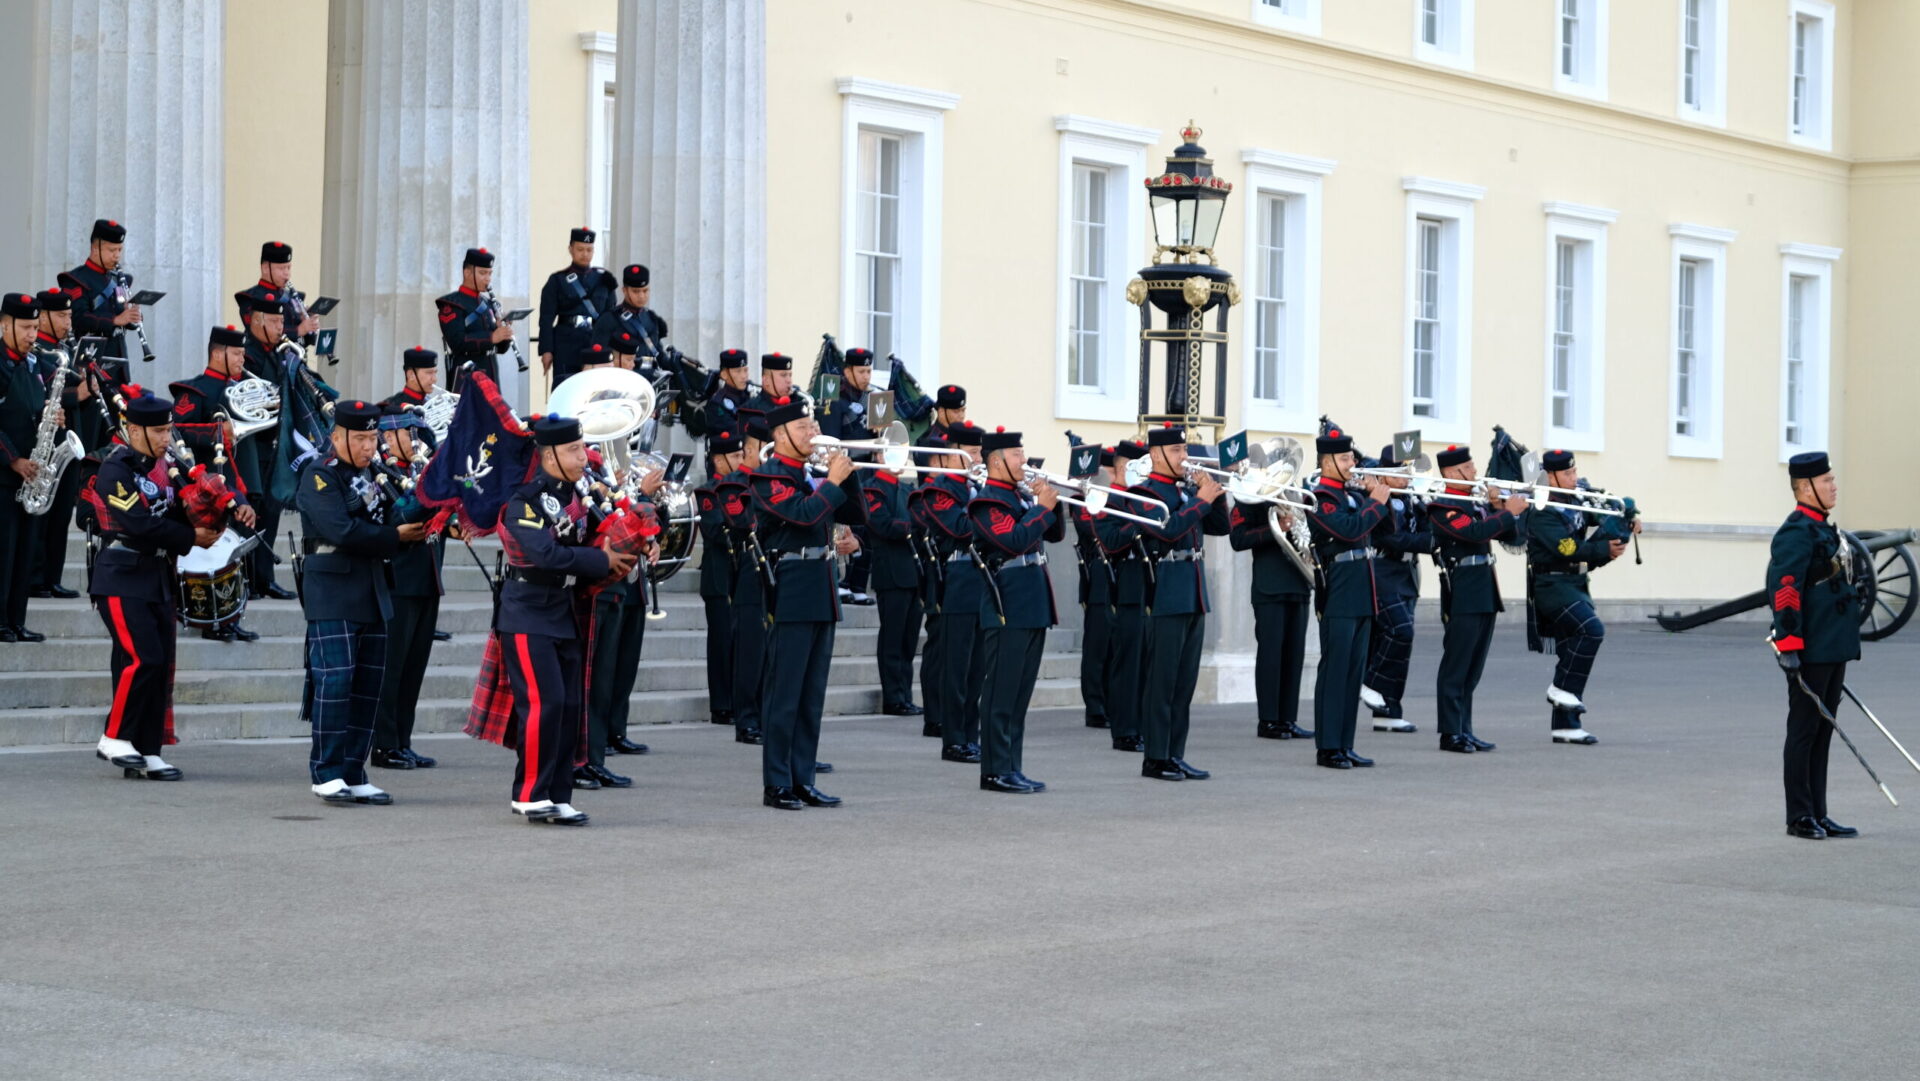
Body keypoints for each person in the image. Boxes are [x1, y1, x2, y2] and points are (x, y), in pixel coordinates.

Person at [469, 415, 630, 825]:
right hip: (526, 611)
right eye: (574, 450)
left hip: (562, 610)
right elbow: (544, 555)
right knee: (546, 702)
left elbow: (603, 530)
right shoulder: (525, 500)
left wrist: (635, 536)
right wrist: (601, 560)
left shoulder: (581, 492)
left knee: (570, 705)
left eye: (581, 448)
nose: (583, 456)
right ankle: (529, 793)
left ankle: (558, 794)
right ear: (550, 455)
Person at [297, 400, 425, 804]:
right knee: (336, 680)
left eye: (374, 438)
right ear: (338, 437)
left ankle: (354, 769)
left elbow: (391, 516)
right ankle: (327, 771)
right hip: (333, 587)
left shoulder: (375, 473)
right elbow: (342, 529)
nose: (370, 447)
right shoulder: (320, 475)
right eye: (362, 438)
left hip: (372, 585)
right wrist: (396, 537)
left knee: (368, 684)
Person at [86, 390, 214, 780]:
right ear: (133, 429)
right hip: (121, 574)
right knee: (144, 658)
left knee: (159, 666)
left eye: (167, 430)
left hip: (157, 575)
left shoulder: (167, 466)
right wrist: (192, 537)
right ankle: (113, 736)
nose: (166, 438)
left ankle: (147, 749)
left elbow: (178, 510)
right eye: (158, 431)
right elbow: (139, 523)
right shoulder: (115, 469)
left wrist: (213, 505)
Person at [750, 393, 863, 810]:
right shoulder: (769, 477)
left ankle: (803, 776)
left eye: (812, 426)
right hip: (792, 584)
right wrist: (831, 481)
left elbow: (854, 512)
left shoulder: (813, 474)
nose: (813, 432)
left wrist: (845, 476)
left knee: (811, 693)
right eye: (803, 428)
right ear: (780, 435)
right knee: (785, 691)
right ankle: (777, 781)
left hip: (821, 582)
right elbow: (802, 514)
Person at [1768, 451, 1861, 840]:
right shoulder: (1796, 532)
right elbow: (1785, 590)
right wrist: (1789, 643)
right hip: (1810, 648)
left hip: (1833, 645)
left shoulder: (1825, 528)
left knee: (1824, 731)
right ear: (1806, 488)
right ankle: (1799, 815)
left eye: (1832, 480)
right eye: (1827, 482)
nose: (1834, 486)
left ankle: (1819, 812)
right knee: (1804, 731)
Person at [1131, 425, 1230, 781]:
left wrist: (1214, 494)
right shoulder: (1145, 493)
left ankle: (1175, 753)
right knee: (1163, 681)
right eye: (1175, 451)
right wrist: (1201, 500)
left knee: (1184, 682)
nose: (1183, 456)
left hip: (1193, 588)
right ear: (1156, 455)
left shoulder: (1187, 489)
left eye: (1184, 449)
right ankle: (1156, 757)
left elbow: (1221, 527)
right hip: (1167, 590)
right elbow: (1168, 530)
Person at [969, 428, 1063, 793]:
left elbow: (1052, 534)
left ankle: (1012, 765)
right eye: (1016, 455)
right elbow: (1012, 541)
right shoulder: (987, 503)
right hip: (1007, 603)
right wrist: (1042, 508)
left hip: (1033, 601)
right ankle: (994, 770)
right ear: (996, 462)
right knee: (1000, 693)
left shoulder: (1021, 498)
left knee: (1020, 694)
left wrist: (1053, 501)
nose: (1024, 461)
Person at [1525, 448, 1636, 745]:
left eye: (1574, 472)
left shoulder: (1574, 499)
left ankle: (1566, 726)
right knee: (1591, 630)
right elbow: (1568, 548)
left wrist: (1626, 521)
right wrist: (1602, 549)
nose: (1574, 478)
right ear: (1550, 476)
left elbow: (1600, 525)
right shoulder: (1542, 508)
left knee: (1569, 648)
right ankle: (1561, 688)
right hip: (1552, 587)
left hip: (1575, 583)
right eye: (1568, 474)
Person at [166, 324, 266, 642]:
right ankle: (210, 617)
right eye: (236, 354)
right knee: (215, 552)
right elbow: (175, 432)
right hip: (206, 486)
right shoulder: (194, 390)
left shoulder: (244, 388)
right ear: (217, 353)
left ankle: (230, 615)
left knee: (236, 553)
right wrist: (214, 433)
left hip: (240, 482)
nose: (242, 360)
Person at [1426, 445, 1528, 753]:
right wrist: (1504, 513)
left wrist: (1500, 509)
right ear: (1451, 473)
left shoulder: (1476, 504)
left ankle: (1465, 729)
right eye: (1469, 468)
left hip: (1484, 588)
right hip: (1462, 593)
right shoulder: (1442, 508)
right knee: (1456, 666)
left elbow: (1511, 537)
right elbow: (1473, 533)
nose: (1475, 473)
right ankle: (1449, 732)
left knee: (1473, 668)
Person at [1305, 425, 1390, 769]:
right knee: (1335, 670)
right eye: (1344, 458)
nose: (1352, 463)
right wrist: (1375, 502)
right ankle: (1328, 747)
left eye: (1352, 456)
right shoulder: (1320, 499)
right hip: (1338, 588)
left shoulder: (1352, 495)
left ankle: (1345, 743)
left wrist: (1383, 498)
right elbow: (1349, 530)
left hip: (1361, 587)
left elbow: (1387, 531)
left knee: (1354, 672)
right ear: (1327, 463)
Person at [369, 397, 444, 771]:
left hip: (426, 577)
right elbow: (393, 515)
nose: (416, 440)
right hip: (398, 578)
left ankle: (402, 740)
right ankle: (383, 744)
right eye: (408, 433)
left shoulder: (421, 469)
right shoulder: (379, 470)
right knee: (392, 668)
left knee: (414, 669)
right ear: (389, 434)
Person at [1228, 483, 1314, 742]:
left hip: (1298, 582)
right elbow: (1238, 539)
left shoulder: (1297, 496)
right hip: (1269, 586)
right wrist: (1274, 528)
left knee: (1294, 656)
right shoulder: (1250, 499)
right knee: (1271, 655)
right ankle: (1268, 720)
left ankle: (1288, 719)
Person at [925, 422, 986, 763]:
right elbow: (962, 530)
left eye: (980, 453)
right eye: (973, 454)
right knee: (957, 667)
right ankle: (953, 739)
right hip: (959, 579)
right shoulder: (941, 489)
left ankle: (971, 735)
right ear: (953, 456)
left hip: (985, 580)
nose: (979, 460)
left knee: (977, 667)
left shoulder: (979, 488)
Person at [1361, 445, 1431, 734]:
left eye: (1410, 470)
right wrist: (1428, 543)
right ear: (1385, 474)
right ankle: (1370, 684)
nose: (1409, 476)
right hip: (1382, 572)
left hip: (1406, 575)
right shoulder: (1377, 498)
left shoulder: (1413, 498)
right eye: (1402, 471)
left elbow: (1426, 530)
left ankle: (1388, 711)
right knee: (1399, 631)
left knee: (1401, 645)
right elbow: (1391, 538)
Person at [236, 291, 297, 602]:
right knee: (252, 513)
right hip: (252, 447)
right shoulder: (247, 354)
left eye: (283, 320)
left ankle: (264, 578)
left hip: (275, 443)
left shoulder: (278, 352)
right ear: (257, 321)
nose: (280, 327)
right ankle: (246, 577)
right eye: (275, 321)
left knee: (271, 513)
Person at [862, 424, 924, 717]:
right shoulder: (873, 488)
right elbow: (882, 524)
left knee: (909, 639)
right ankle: (893, 697)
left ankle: (905, 694)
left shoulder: (907, 489)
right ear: (878, 457)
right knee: (893, 638)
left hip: (911, 572)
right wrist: (915, 527)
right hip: (891, 572)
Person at [1093, 440, 1151, 753]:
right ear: (1119, 468)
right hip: (1125, 586)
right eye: (1135, 467)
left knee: (1145, 663)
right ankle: (1125, 730)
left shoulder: (1145, 496)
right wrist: (1139, 523)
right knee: (1127, 663)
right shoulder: (1107, 497)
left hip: (1151, 585)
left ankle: (1141, 725)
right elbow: (1112, 541)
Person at [27, 288, 85, 599]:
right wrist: (80, 393)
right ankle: (35, 576)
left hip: (66, 439)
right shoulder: (36, 351)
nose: (67, 321)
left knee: (62, 511)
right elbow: (40, 396)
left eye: (70, 315)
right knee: (42, 513)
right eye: (62, 316)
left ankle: (52, 576)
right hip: (43, 441)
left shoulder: (66, 349)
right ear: (44, 316)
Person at [0, 292, 51, 642]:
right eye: (26, 327)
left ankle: (16, 619)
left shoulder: (34, 365)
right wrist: (13, 459)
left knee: (23, 552)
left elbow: (35, 411)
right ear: (5, 325)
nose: (33, 334)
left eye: (35, 327)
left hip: (30, 477)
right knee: (3, 552)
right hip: (4, 474)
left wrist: (54, 417)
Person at [721, 413, 769, 745]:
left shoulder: (780, 480)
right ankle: (747, 719)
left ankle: (769, 717)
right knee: (750, 653)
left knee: (772, 654)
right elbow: (742, 522)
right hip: (750, 572)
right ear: (754, 449)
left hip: (779, 573)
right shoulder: (735, 484)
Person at [820, 347, 879, 607]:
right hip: (846, 471)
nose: (866, 376)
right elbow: (834, 442)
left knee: (867, 526)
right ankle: (843, 580)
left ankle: (857, 584)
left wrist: (880, 434)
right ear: (847, 371)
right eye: (861, 371)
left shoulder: (875, 400)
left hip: (869, 472)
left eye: (869, 370)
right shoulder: (834, 401)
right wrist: (870, 442)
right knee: (847, 526)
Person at [696, 426, 744, 728]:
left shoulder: (743, 486)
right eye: (736, 456)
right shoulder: (709, 492)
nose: (741, 460)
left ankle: (738, 700)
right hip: (718, 574)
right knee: (721, 641)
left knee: (740, 641)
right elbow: (714, 530)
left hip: (740, 571)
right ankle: (721, 704)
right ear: (720, 460)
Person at [1071, 448, 1119, 732]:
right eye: (1112, 471)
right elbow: (1088, 527)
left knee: (1116, 647)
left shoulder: (1123, 499)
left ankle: (1113, 702)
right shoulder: (1084, 498)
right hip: (1099, 579)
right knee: (1097, 648)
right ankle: (1095, 706)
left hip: (1120, 578)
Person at [58, 219, 141, 377]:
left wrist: (132, 317)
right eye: (111, 250)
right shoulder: (75, 279)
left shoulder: (119, 279)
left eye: (119, 250)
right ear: (95, 248)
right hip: (91, 359)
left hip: (118, 358)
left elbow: (121, 314)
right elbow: (77, 318)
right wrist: (115, 320)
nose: (117, 256)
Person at [537, 227, 617, 388]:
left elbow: (612, 317)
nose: (585, 254)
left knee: (594, 390)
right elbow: (546, 319)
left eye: (589, 250)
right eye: (580, 249)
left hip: (596, 342)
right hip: (566, 343)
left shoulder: (604, 279)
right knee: (566, 386)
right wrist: (546, 350)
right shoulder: (557, 280)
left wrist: (613, 349)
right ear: (570, 249)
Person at [435, 248, 514, 391]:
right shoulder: (451, 304)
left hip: (491, 373)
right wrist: (492, 337)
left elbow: (500, 349)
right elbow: (457, 342)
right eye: (483, 273)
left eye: (490, 273)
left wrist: (504, 334)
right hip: (466, 377)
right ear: (467, 273)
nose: (488, 279)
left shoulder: (489, 303)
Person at [592, 264, 669, 359]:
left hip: (649, 372)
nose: (641, 296)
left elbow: (657, 352)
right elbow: (598, 357)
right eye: (636, 291)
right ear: (624, 291)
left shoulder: (651, 318)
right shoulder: (608, 319)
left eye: (645, 291)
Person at [704, 349, 756, 434]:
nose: (744, 376)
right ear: (724, 375)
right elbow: (733, 432)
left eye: (745, 370)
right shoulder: (717, 403)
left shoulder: (750, 394)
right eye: (738, 371)